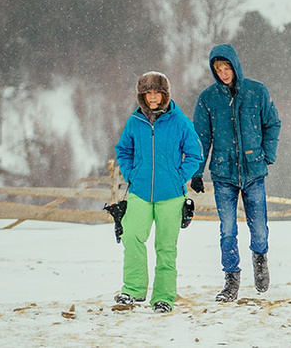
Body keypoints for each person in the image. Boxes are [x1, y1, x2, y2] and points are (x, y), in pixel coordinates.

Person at [191, 43, 282, 302]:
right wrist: (197, 171)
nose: (223, 73)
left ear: (235, 65)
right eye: (218, 69)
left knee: (260, 228)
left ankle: (260, 258)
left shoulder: (256, 92)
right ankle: (231, 279)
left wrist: (267, 155)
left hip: (254, 171)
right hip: (223, 173)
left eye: (226, 67)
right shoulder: (208, 99)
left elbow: (273, 123)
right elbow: (201, 137)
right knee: (228, 229)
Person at [113, 71, 203, 314]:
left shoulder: (180, 121)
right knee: (132, 236)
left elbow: (195, 154)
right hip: (140, 191)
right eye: (148, 93)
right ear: (142, 96)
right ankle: (132, 290)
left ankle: (163, 297)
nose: (153, 97)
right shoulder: (135, 122)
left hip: (171, 195)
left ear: (165, 94)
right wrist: (130, 173)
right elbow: (123, 150)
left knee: (165, 247)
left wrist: (179, 176)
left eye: (157, 92)